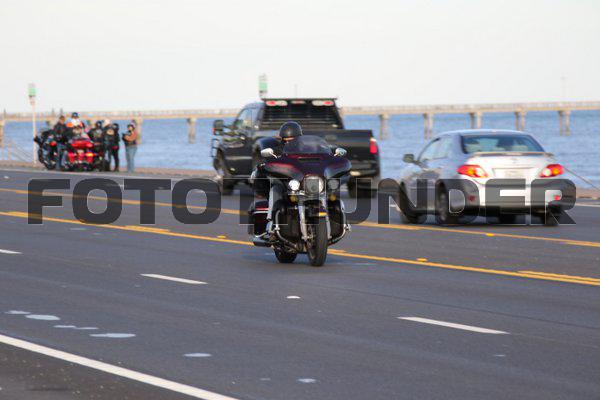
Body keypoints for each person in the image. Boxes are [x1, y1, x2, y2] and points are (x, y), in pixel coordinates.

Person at [254, 121, 303, 228]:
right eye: (286, 141)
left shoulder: (307, 149)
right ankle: (271, 221)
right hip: (287, 183)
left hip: (304, 182)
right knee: (275, 189)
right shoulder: (278, 150)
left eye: (293, 140)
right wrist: (266, 164)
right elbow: (270, 159)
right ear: (282, 140)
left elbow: (320, 156)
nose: (289, 143)